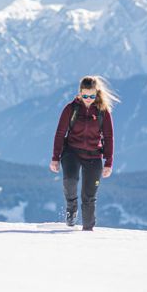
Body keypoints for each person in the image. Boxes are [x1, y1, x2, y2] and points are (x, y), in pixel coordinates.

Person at [49, 75, 118, 230]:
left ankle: (88, 230)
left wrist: (109, 163)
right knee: (70, 180)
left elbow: (108, 137)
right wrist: (55, 158)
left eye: (91, 95)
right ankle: (71, 210)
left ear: (97, 93)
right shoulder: (71, 109)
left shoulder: (103, 111)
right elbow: (60, 133)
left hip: (94, 156)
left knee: (89, 197)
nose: (88, 98)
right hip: (72, 152)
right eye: (85, 95)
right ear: (79, 93)